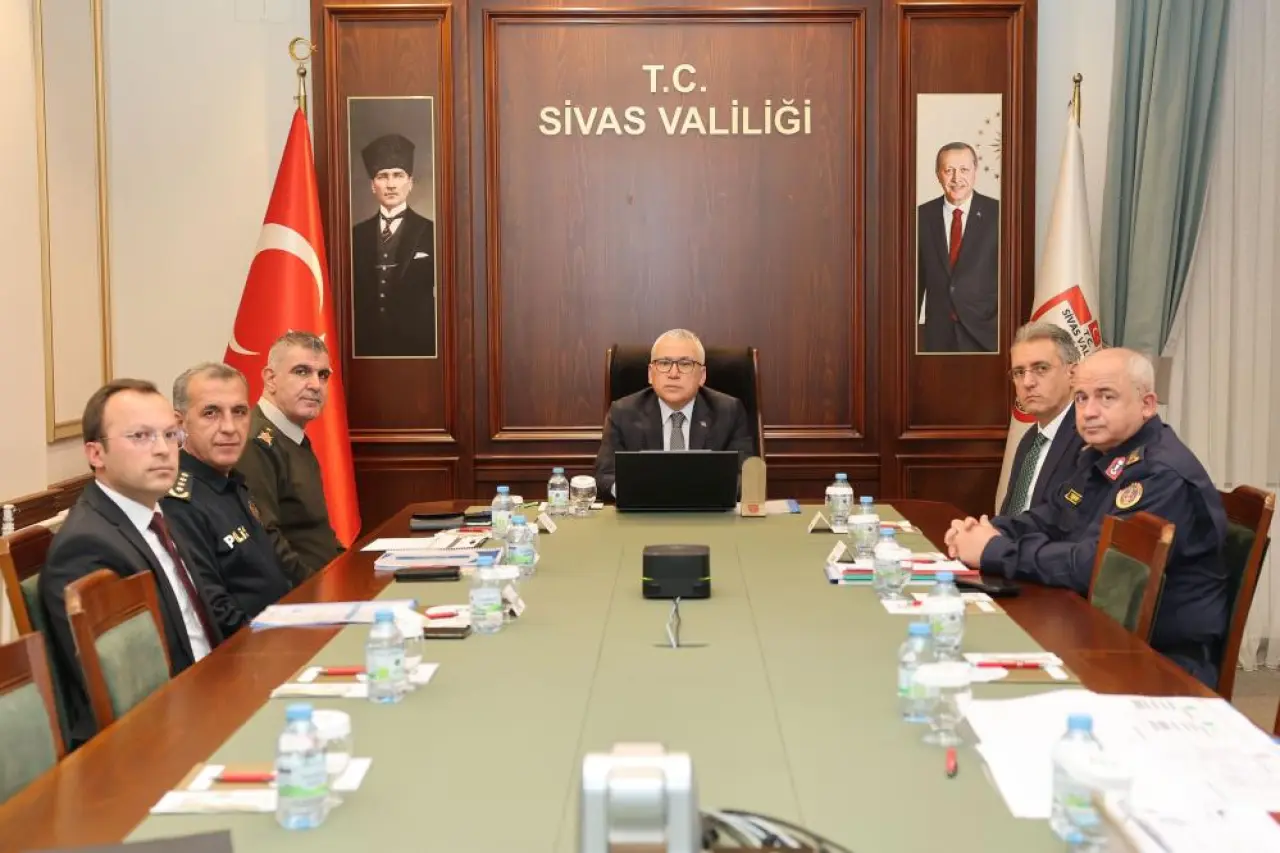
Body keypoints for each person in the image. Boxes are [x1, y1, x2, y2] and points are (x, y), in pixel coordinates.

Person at [947, 348, 1228, 687]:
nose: (1089, 412)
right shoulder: (1102, 454)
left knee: (986, 674)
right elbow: (1053, 517)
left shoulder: (1159, 474)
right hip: (1101, 629)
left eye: (1106, 397)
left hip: (1159, 660)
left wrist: (994, 550)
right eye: (1081, 398)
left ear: (1147, 404)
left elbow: (1095, 567)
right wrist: (989, 530)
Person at [40, 379, 223, 745]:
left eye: (170, 435)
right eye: (141, 436)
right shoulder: (86, 547)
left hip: (211, 694)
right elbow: (127, 690)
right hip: (155, 736)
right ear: (96, 454)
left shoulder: (158, 514)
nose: (163, 450)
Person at [162, 362, 295, 638]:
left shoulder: (231, 481)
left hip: (281, 629)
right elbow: (215, 614)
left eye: (239, 412)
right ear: (179, 424)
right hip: (249, 649)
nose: (229, 427)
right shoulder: (179, 503)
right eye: (211, 413)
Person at [594, 329, 755, 497]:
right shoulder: (623, 412)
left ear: (702, 376)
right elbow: (604, 476)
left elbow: (746, 477)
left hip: (705, 510)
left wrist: (694, 492)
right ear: (650, 374)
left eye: (685, 364)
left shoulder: (729, 412)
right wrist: (635, 491)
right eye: (664, 363)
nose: (673, 374)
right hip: (645, 509)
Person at [237, 332, 344, 582]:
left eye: (323, 375)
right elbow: (266, 540)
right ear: (270, 379)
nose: (315, 385)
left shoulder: (291, 435)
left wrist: (350, 569)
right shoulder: (255, 442)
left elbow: (315, 533)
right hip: (301, 593)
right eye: (301, 371)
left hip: (326, 583)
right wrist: (318, 589)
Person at [351, 132, 437, 359]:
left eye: (398, 175)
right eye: (383, 176)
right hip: (365, 349)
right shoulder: (355, 235)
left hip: (419, 348)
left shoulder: (432, 232)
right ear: (373, 185)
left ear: (410, 183)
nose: (390, 184)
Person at [917, 142, 1000, 353]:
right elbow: (914, 283)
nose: (956, 178)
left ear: (975, 172)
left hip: (987, 336)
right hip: (937, 337)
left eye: (964, 170)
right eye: (949, 170)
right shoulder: (920, 217)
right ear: (938, 174)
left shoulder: (999, 215)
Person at [999, 322, 1085, 514]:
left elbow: (1070, 520)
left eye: (1041, 368)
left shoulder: (1088, 437)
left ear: (1072, 374)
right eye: (1019, 372)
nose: (1027, 382)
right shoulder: (1030, 440)